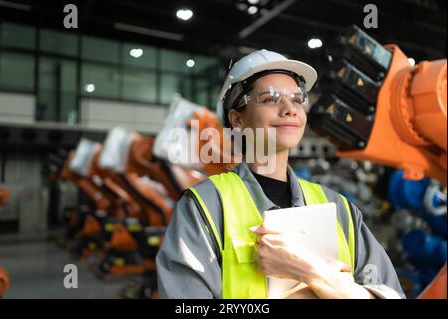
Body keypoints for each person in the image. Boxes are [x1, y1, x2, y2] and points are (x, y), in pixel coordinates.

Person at [156, 49, 405, 299]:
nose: (290, 109)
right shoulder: (205, 208)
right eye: (270, 98)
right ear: (236, 119)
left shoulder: (339, 209)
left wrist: (312, 273)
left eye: (297, 99)